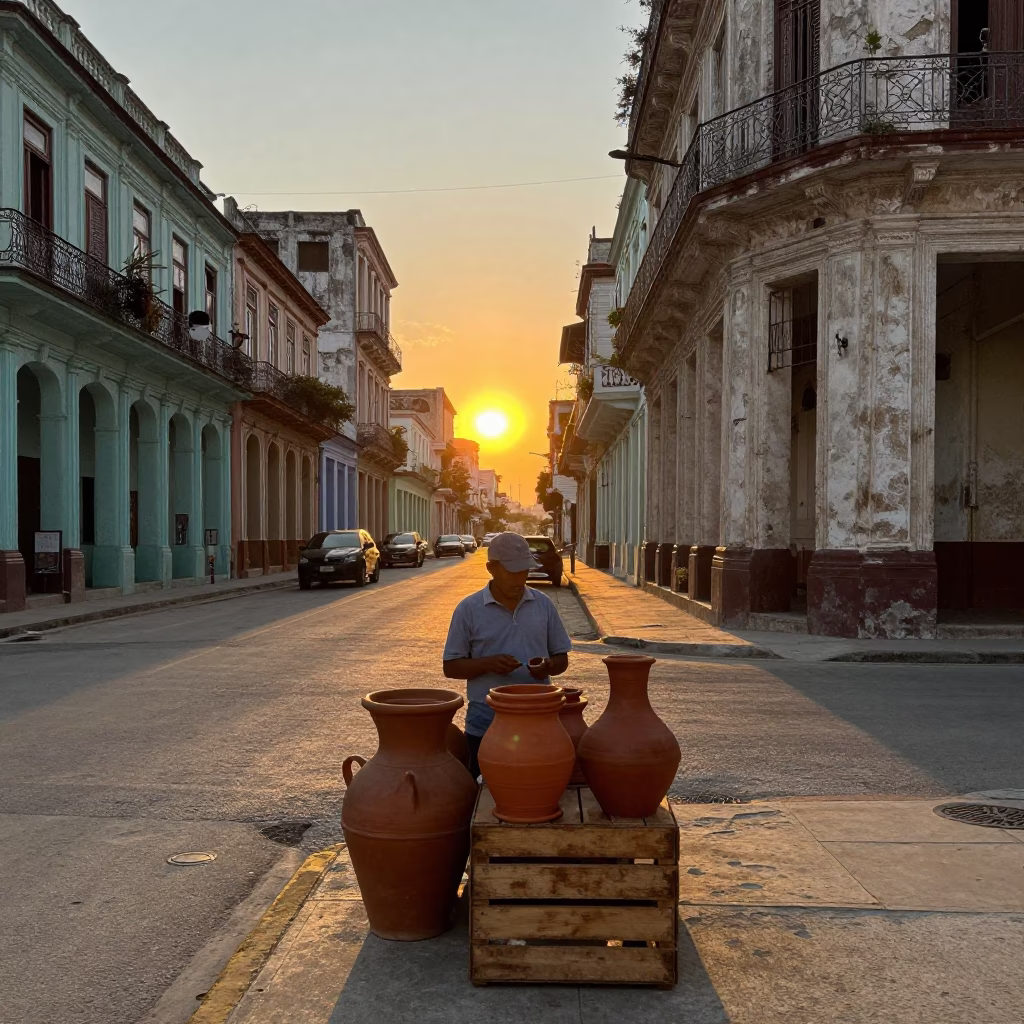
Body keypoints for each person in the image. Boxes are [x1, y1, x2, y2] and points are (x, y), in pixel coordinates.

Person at [442, 531, 572, 778]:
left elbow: (561, 660)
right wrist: (487, 664)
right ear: (491, 568)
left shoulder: (543, 605)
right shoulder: (468, 610)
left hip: (538, 724)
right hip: (485, 726)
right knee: (485, 798)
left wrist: (547, 666)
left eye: (523, 572)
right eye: (512, 572)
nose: (519, 580)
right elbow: (451, 667)